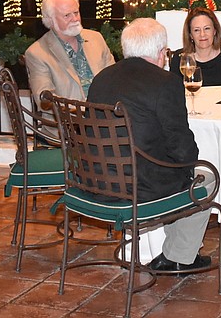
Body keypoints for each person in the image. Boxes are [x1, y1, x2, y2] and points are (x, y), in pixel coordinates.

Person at [88, 18, 213, 272]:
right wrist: (189, 164)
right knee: (206, 177)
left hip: (97, 181)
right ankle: (178, 256)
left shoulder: (101, 78)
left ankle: (172, 251)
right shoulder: (165, 82)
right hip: (140, 189)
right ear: (161, 53)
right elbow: (183, 151)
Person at [26, 0, 114, 110]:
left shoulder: (96, 39)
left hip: (105, 116)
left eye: (76, 13)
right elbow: (44, 101)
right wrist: (81, 114)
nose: (75, 19)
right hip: (69, 124)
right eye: (67, 15)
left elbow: (114, 80)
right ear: (50, 20)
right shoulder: (37, 53)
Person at [168, 7, 221, 89]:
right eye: (196, 30)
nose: (202, 34)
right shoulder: (180, 58)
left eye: (207, 28)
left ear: (215, 31)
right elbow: (172, 90)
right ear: (190, 35)